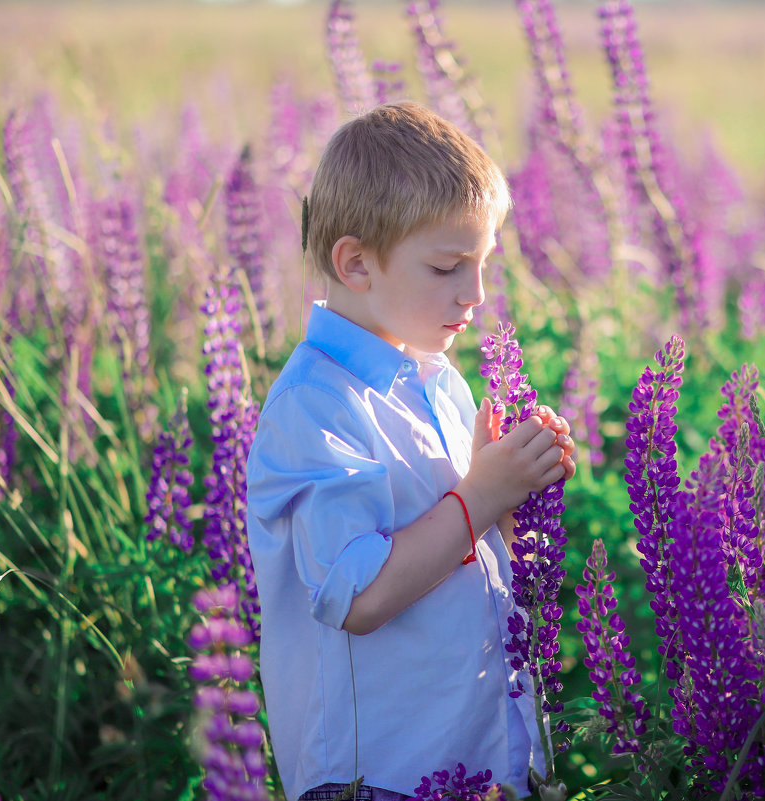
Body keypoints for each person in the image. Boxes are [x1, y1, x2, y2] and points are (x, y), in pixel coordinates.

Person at [246, 101, 576, 801]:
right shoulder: (316, 405)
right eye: (449, 266)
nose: (477, 293)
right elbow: (360, 594)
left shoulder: (438, 381)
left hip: (482, 760)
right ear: (357, 264)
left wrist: (512, 497)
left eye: (482, 264)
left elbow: (455, 547)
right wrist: (479, 495)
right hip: (379, 776)